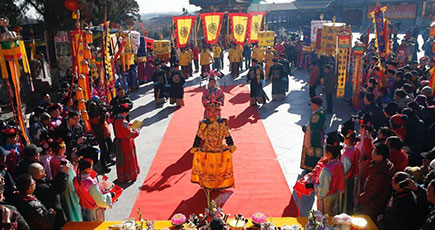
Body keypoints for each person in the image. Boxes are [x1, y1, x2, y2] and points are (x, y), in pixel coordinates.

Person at [190, 101, 236, 209]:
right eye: (210, 111)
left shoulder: (222, 123)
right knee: (208, 169)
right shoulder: (204, 124)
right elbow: (199, 135)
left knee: (219, 169)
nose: (213, 113)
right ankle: (209, 185)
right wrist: (195, 146)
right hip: (207, 149)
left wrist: (231, 144)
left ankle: (219, 184)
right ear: (207, 112)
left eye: (215, 111)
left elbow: (227, 134)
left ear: (219, 112)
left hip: (220, 149)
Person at [358, 143, 395, 224]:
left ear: (380, 156)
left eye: (374, 152)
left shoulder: (381, 173)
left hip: (373, 205)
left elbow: (372, 192)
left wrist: (360, 197)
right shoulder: (384, 165)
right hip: (374, 202)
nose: (371, 153)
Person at [49, 139, 82, 222]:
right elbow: (72, 178)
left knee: (66, 207)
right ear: (61, 149)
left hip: (59, 186)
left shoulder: (52, 160)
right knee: (74, 207)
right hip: (69, 188)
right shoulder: (65, 162)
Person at [28, 163, 68, 230]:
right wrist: (63, 173)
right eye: (43, 170)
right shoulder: (42, 188)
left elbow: (53, 184)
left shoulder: (40, 183)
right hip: (54, 219)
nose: (45, 171)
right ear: (40, 172)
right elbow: (58, 188)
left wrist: (60, 173)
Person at [317, 140, 344, 216]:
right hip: (336, 194)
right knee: (334, 214)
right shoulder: (340, 164)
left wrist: (315, 187)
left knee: (325, 218)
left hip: (327, 198)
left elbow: (323, 189)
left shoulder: (326, 170)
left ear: (329, 154)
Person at [113, 104, 140, 182]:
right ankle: (130, 175)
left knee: (122, 160)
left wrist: (131, 126)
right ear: (124, 112)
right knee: (128, 159)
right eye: (127, 112)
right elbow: (129, 134)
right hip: (125, 143)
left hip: (119, 142)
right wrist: (137, 131)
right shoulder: (122, 122)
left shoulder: (116, 119)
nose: (128, 113)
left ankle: (123, 176)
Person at [300, 96, 326, 171]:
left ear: (315, 105)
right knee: (317, 151)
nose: (311, 106)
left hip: (314, 136)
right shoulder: (321, 112)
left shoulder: (316, 115)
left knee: (312, 150)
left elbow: (312, 127)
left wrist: (305, 128)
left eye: (312, 104)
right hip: (319, 135)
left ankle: (311, 167)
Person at [341, 130, 360, 213]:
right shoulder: (356, 149)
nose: (344, 140)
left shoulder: (347, 154)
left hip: (348, 178)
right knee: (353, 194)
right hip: (355, 175)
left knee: (347, 198)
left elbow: (344, 170)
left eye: (346, 138)